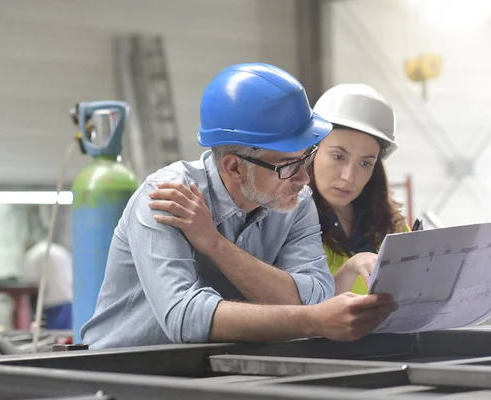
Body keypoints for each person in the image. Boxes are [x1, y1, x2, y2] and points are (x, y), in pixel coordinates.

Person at [81, 63, 396, 349]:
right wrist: (314, 320)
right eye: (288, 165)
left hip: (218, 372)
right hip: (122, 373)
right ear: (233, 167)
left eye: (307, 158)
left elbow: (314, 295)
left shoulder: (295, 202)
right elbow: (185, 317)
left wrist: (216, 245)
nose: (303, 178)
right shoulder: (169, 196)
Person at [308, 83, 410, 295]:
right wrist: (351, 267)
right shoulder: (286, 225)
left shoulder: (391, 225)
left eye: (365, 163)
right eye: (338, 156)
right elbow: (295, 308)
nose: (348, 177)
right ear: (312, 150)